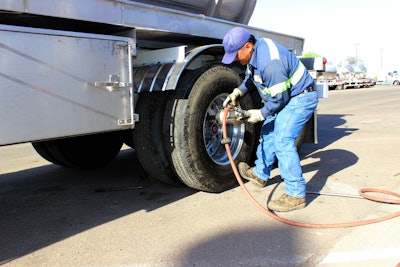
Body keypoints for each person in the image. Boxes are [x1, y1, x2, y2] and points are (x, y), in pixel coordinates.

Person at [221, 27, 319, 212]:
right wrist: (238, 91)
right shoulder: (255, 54)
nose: (234, 59)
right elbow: (252, 77)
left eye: (235, 55)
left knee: (282, 140)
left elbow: (279, 99)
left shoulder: (270, 63)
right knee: (268, 133)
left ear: (248, 47)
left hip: (300, 97)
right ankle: (260, 174)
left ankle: (296, 194)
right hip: (286, 97)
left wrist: (258, 114)